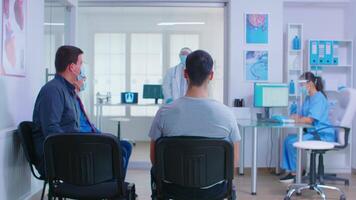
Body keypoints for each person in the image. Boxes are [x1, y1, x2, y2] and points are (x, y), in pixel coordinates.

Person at [149, 50, 241, 199]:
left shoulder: (164, 113)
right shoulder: (227, 114)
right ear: (211, 75)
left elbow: (154, 158)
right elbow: (233, 162)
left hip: (173, 188)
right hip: (214, 190)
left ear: (185, 74)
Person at [32, 45, 131, 177]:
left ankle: (113, 190)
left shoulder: (68, 91)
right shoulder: (53, 91)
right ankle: (107, 190)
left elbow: (75, 126)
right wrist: (84, 145)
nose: (82, 68)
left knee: (123, 147)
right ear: (72, 67)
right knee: (116, 154)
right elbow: (52, 132)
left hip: (74, 148)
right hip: (63, 156)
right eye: (80, 63)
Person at [279, 72, 336, 183]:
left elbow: (310, 119)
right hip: (312, 132)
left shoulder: (319, 98)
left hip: (322, 134)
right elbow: (304, 116)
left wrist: (298, 119)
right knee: (287, 140)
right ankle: (294, 170)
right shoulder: (308, 98)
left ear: (309, 83)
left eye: (301, 84)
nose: (300, 87)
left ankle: (296, 173)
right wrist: (297, 116)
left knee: (292, 142)